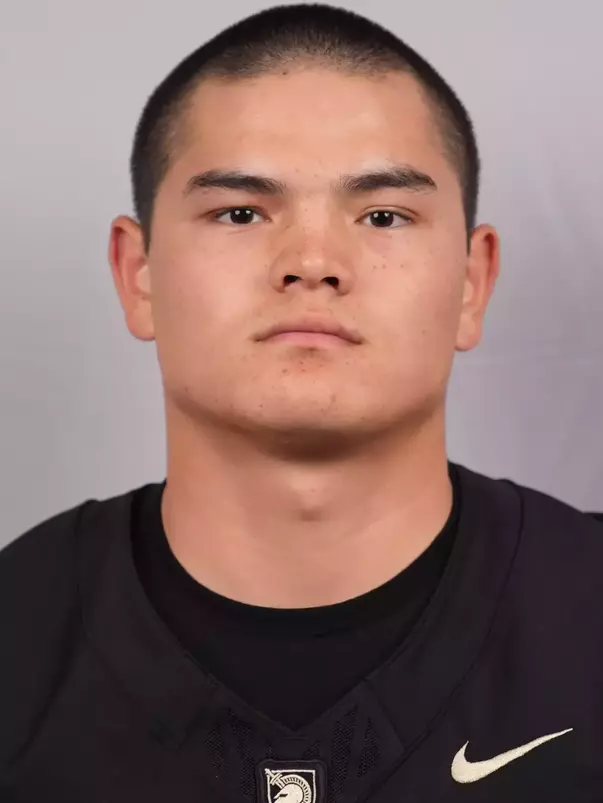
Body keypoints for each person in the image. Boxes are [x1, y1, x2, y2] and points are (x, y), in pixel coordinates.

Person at [1, 4, 602, 802]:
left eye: (383, 215)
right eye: (241, 213)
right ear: (136, 274)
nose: (312, 262)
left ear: (471, 281)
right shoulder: (18, 634)